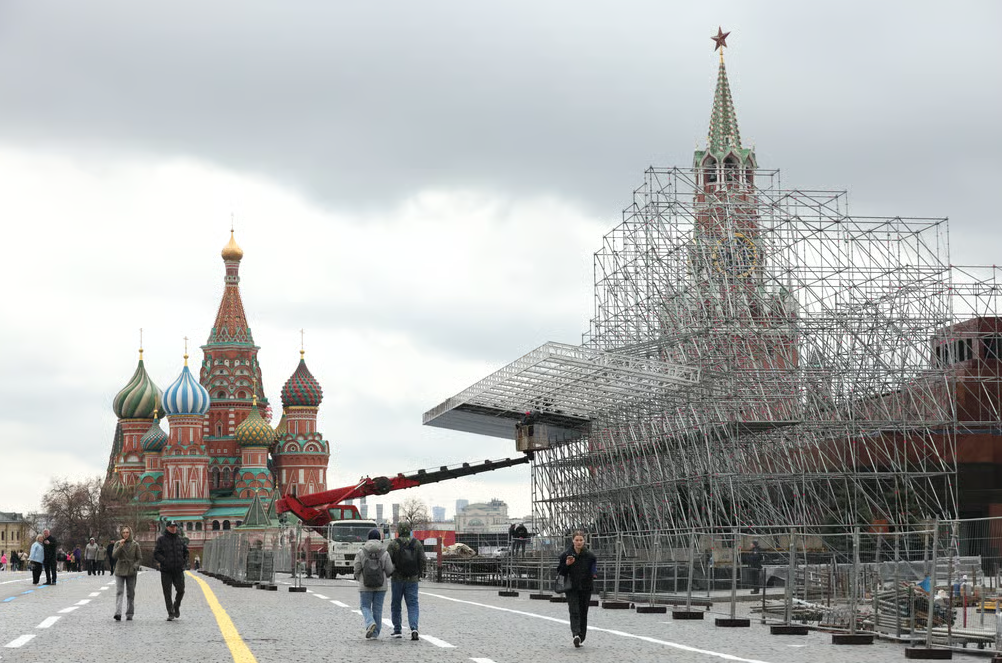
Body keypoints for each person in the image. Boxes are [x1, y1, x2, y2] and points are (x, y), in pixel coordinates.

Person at [557, 530, 598, 648]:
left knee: (583, 611)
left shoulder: (590, 556)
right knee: (574, 610)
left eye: (581, 540)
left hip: (586, 587)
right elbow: (560, 571)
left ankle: (581, 635)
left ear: (584, 541)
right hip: (571, 587)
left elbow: (593, 570)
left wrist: (594, 574)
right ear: (573, 541)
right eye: (577, 540)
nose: (579, 542)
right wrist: (567, 564)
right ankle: (576, 634)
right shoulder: (565, 555)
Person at [387, 521, 426, 640]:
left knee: (396, 604)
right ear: (409, 530)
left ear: (399, 531)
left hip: (397, 579)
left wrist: (390, 573)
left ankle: (397, 629)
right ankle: (414, 628)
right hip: (412, 579)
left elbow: (388, 560)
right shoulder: (417, 543)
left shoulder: (394, 544)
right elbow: (422, 560)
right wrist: (419, 573)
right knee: (413, 604)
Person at [353, 528, 394, 639]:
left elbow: (357, 567)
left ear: (368, 538)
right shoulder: (384, 552)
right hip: (381, 585)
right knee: (378, 609)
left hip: (365, 585)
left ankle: (370, 622)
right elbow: (389, 569)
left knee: (364, 606)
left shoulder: (362, 551)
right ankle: (375, 634)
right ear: (379, 538)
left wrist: (358, 577)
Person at [153, 520, 188, 621]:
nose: (173, 528)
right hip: (166, 571)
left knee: (181, 590)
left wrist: (183, 562)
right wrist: (164, 561)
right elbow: (156, 553)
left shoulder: (180, 540)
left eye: (175, 527)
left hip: (178, 570)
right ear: (167, 528)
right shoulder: (161, 540)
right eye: (171, 527)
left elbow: (186, 552)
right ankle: (170, 612)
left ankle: (176, 605)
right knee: (167, 592)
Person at [112, 526, 142, 621]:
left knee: (130, 593)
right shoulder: (118, 543)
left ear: (130, 533)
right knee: (119, 592)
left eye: (127, 532)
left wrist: (135, 566)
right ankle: (118, 613)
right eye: (124, 532)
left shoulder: (135, 544)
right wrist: (120, 547)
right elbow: (114, 556)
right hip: (120, 569)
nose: (125, 534)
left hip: (131, 570)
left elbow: (139, 558)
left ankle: (129, 613)